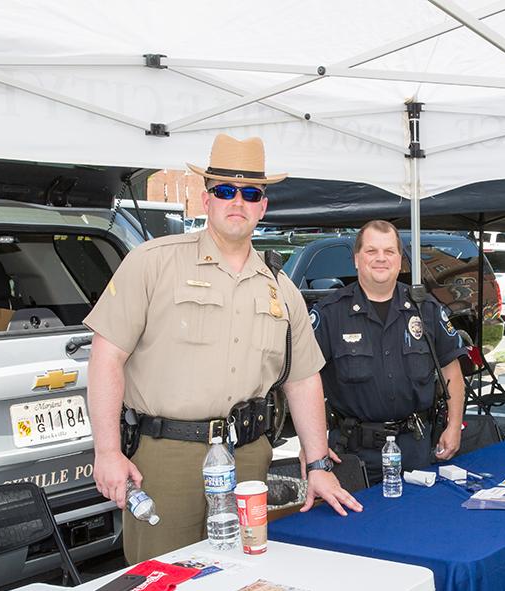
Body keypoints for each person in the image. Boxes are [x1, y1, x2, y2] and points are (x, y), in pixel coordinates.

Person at [86, 134, 362, 564]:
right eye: (225, 190)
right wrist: (107, 451)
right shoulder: (153, 263)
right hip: (167, 459)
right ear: (206, 199)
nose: (238, 201)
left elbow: (304, 378)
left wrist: (319, 465)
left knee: (242, 584)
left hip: (248, 460)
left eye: (251, 193)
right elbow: (106, 356)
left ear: (263, 206)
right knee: (160, 586)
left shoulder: (279, 285)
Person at [308, 220, 467, 484]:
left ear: (400, 260)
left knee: (419, 522)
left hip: (415, 449)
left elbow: (452, 370)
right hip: (351, 452)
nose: (381, 258)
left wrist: (454, 426)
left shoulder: (425, 308)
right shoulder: (329, 314)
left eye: (389, 251)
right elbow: (305, 381)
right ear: (356, 259)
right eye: (371, 251)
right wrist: (311, 446)